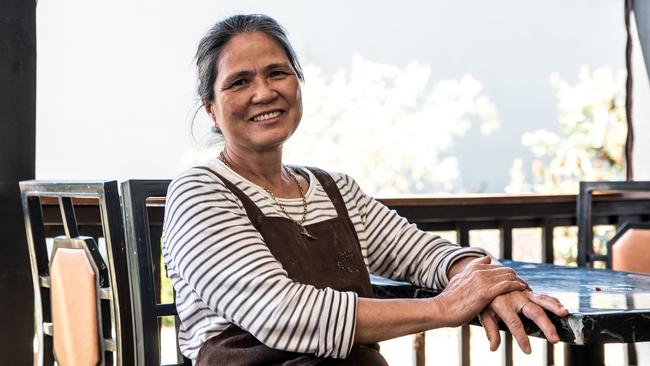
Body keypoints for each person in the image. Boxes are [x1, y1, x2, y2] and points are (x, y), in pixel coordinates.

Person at [162, 14, 568, 365]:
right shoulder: (199, 192)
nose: (264, 92)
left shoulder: (334, 189)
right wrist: (444, 307)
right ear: (211, 109)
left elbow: (420, 252)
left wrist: (485, 283)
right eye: (239, 81)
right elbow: (280, 312)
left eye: (277, 73)